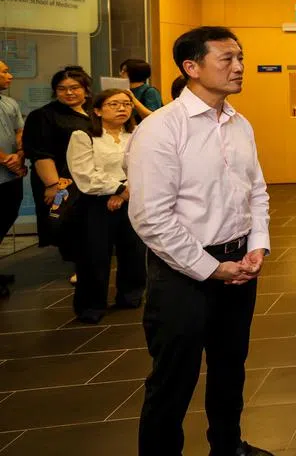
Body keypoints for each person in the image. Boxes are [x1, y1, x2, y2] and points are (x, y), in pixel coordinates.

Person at [128, 26, 273, 456]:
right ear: (191, 67)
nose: (239, 67)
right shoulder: (161, 129)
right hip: (182, 273)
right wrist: (211, 268)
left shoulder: (240, 124)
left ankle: (227, 446)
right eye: (227, 59)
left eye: (240, 57)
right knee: (173, 379)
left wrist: (257, 244)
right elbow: (151, 217)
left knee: (230, 367)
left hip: (239, 263)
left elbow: (256, 190)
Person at [65, 89, 145, 323]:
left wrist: (125, 193)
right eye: (114, 104)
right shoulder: (84, 136)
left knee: (134, 252)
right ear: (98, 110)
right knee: (94, 256)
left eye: (126, 104)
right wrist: (117, 189)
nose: (122, 108)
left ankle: (131, 296)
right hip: (95, 202)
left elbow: (145, 167)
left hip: (132, 198)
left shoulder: (137, 134)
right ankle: (91, 306)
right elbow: (84, 174)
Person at [23, 67, 93, 254]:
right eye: (62, 89)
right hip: (61, 180)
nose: (69, 93)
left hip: (91, 179)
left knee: (91, 227)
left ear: (86, 89)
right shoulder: (43, 115)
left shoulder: (95, 110)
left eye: (74, 88)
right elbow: (41, 153)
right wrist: (54, 185)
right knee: (68, 225)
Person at [0, 61, 26, 295]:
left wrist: (19, 154)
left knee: (7, 216)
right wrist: (5, 159)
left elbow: (19, 131)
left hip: (10, 175)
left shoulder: (10, 103)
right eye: (4, 72)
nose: (10, 76)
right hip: (7, 167)